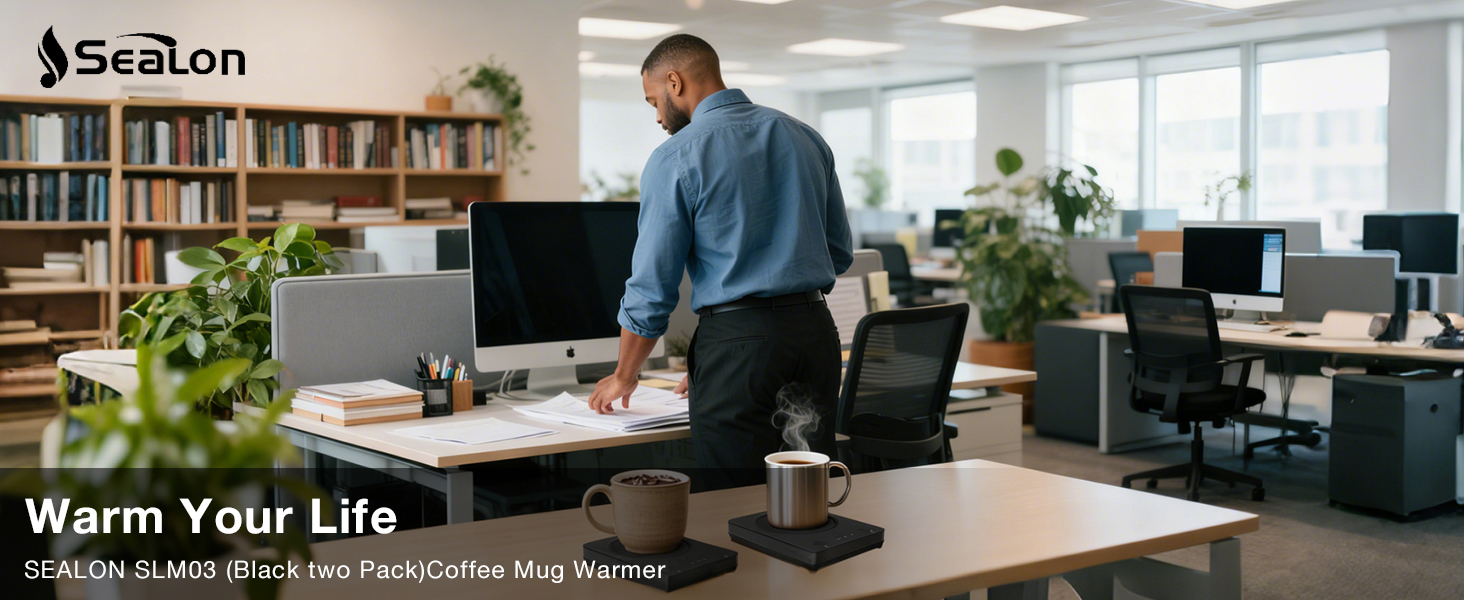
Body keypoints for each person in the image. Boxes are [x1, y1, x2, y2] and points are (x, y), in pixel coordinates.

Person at [587, 34, 853, 489]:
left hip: (735, 344)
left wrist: (624, 376)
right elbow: (839, 253)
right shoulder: (805, 136)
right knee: (808, 493)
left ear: (675, 82)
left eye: (654, 100)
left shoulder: (675, 157)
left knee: (734, 499)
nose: (656, 116)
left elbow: (652, 289)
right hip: (816, 338)